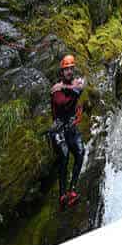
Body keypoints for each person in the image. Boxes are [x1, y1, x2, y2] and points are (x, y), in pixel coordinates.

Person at [47, 53, 87, 207]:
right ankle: (62, 194)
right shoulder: (55, 90)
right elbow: (62, 102)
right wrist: (71, 88)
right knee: (64, 156)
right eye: (66, 69)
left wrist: (66, 87)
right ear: (62, 72)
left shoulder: (65, 86)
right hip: (59, 129)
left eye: (71, 68)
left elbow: (80, 88)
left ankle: (73, 189)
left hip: (71, 127)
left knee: (80, 152)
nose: (70, 71)